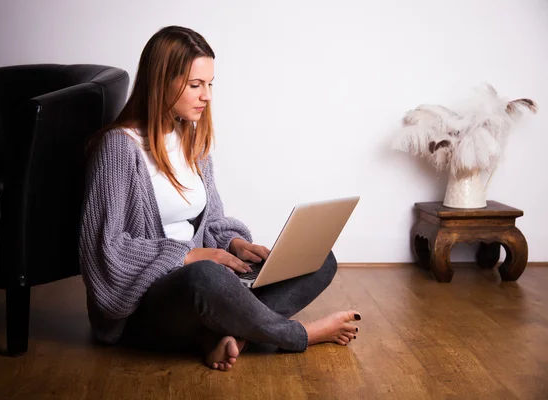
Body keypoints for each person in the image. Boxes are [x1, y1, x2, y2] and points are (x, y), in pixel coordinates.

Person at [79, 25, 361, 371]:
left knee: (318, 258)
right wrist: (187, 256)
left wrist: (235, 243)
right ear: (161, 81)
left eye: (210, 84)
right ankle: (298, 335)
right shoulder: (118, 148)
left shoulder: (191, 140)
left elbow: (211, 221)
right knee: (207, 278)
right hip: (146, 303)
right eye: (195, 85)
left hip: (204, 285)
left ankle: (225, 334)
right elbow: (104, 252)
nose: (207, 95)